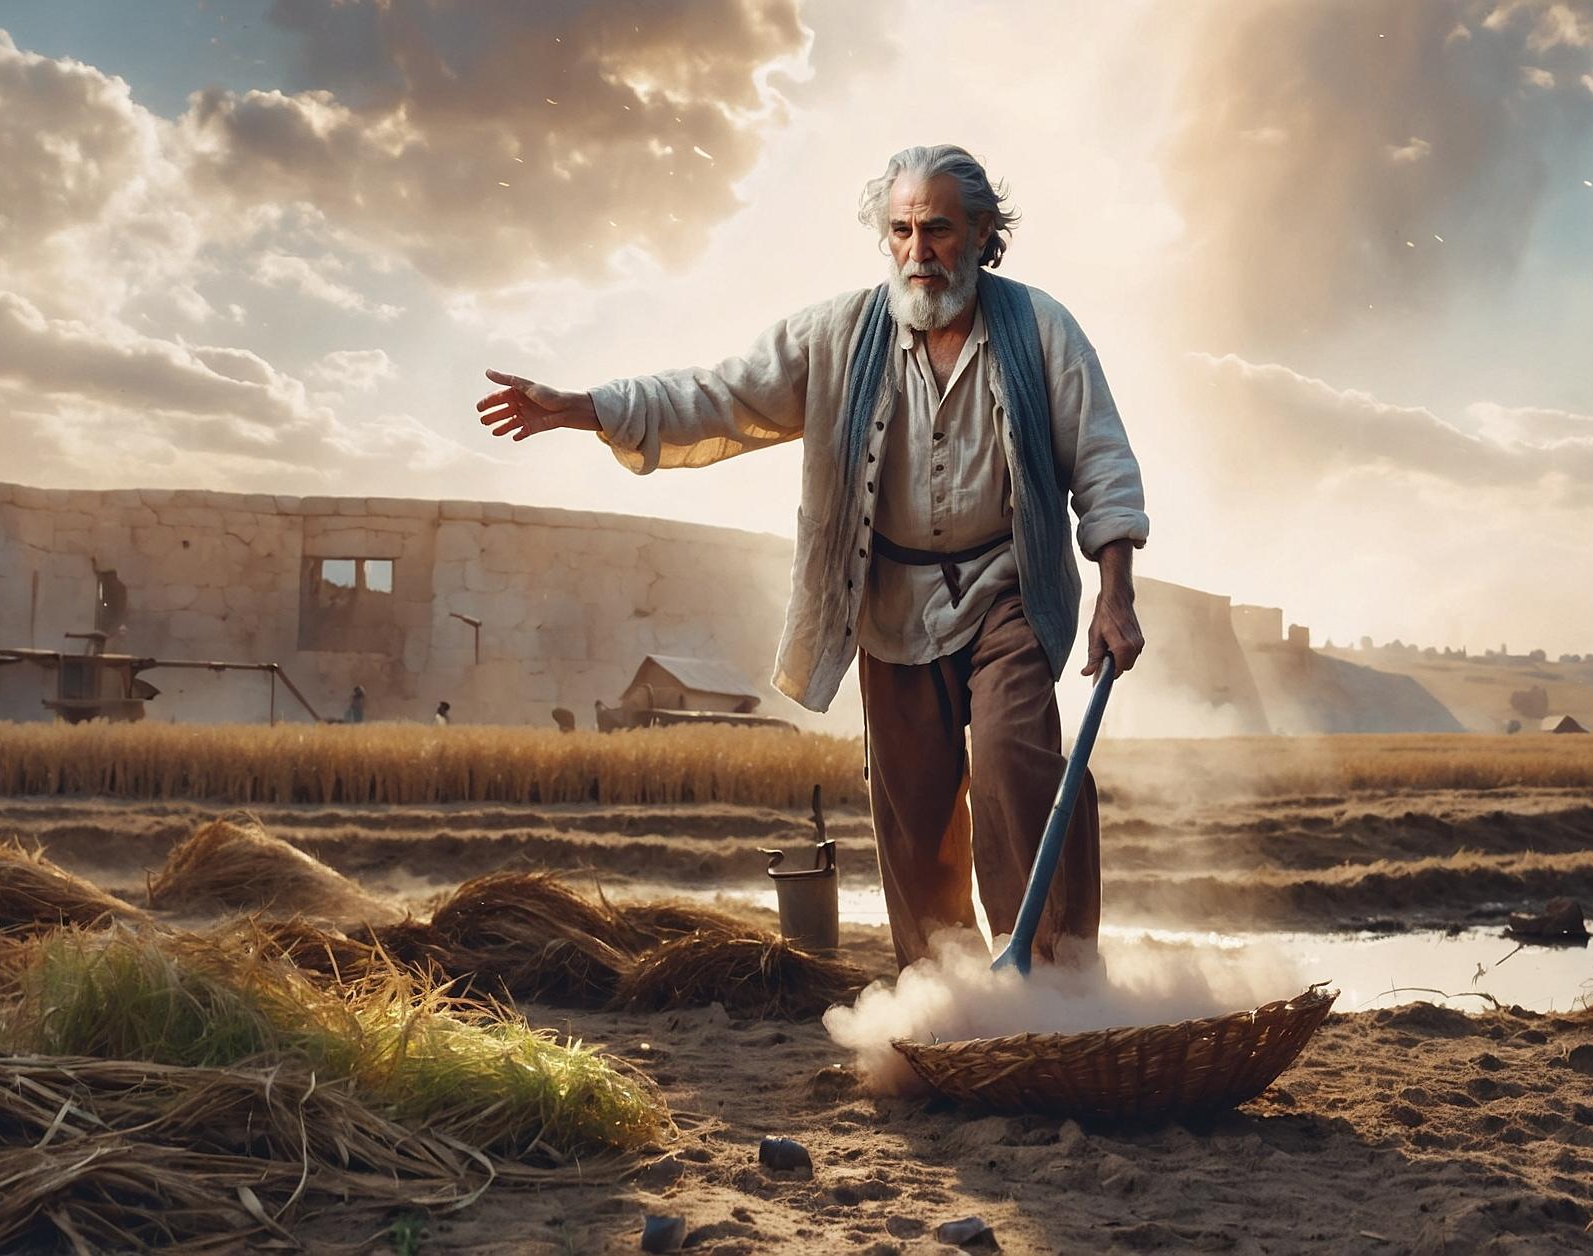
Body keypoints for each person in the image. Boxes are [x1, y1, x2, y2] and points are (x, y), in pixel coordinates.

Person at [476, 144, 1148, 969]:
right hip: (888, 600)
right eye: (901, 230)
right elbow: (719, 393)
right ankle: (954, 996)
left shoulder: (1040, 329)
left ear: (981, 233)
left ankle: (1058, 979)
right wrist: (586, 408)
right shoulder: (835, 337)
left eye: (937, 229)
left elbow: (1103, 461)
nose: (918, 250)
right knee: (914, 812)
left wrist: (1115, 594)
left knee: (1018, 762)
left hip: (1007, 584)